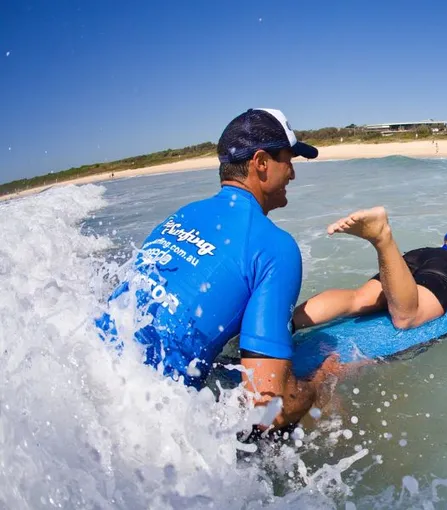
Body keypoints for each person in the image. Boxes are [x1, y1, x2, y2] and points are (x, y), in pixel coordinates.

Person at [97, 108, 341, 434]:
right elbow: (268, 406)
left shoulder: (182, 215)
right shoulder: (274, 246)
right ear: (261, 163)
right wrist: (321, 382)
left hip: (89, 371)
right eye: (288, 160)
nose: (293, 174)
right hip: (140, 425)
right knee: (286, 421)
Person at [292, 188, 447, 331]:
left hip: (423, 255)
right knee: (406, 317)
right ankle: (383, 239)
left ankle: (288, 323)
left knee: (357, 299)